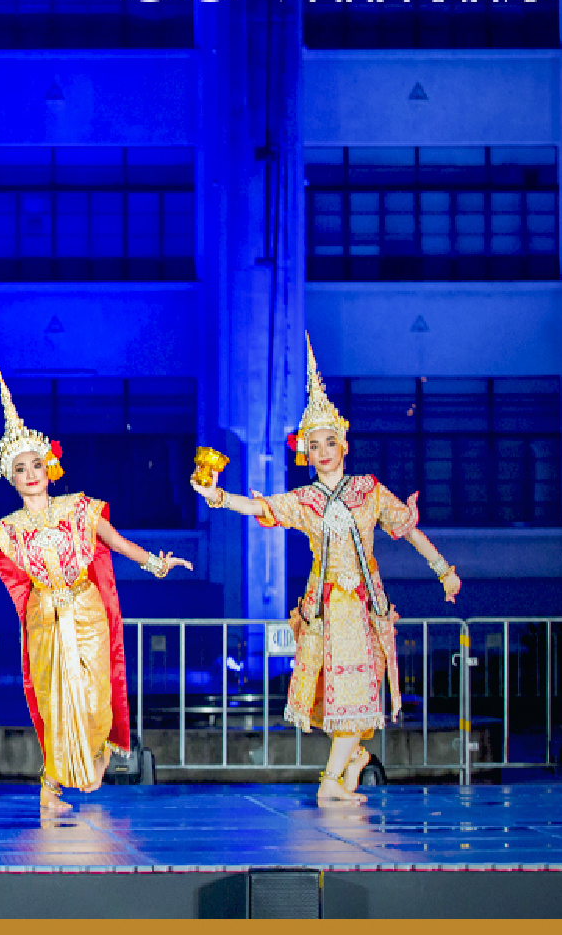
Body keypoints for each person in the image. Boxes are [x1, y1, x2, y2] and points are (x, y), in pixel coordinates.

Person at [193, 336, 463, 803]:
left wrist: (444, 570)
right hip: (327, 608)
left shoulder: (368, 489)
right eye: (313, 445)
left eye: (328, 442)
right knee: (343, 696)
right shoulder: (307, 501)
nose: (321, 451)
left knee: (362, 694)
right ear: (306, 451)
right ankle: (331, 782)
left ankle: (350, 764)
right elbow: (260, 505)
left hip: (365, 606)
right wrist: (217, 496)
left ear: (344, 443)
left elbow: (408, 527)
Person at [0, 368, 191, 813]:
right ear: (11, 478)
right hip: (45, 617)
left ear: (49, 467)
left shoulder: (80, 508)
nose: (30, 473)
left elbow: (115, 543)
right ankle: (51, 785)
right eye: (19, 468)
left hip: (88, 610)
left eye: (35, 464)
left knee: (97, 698)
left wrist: (155, 562)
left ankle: (94, 757)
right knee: (55, 704)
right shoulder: (10, 528)